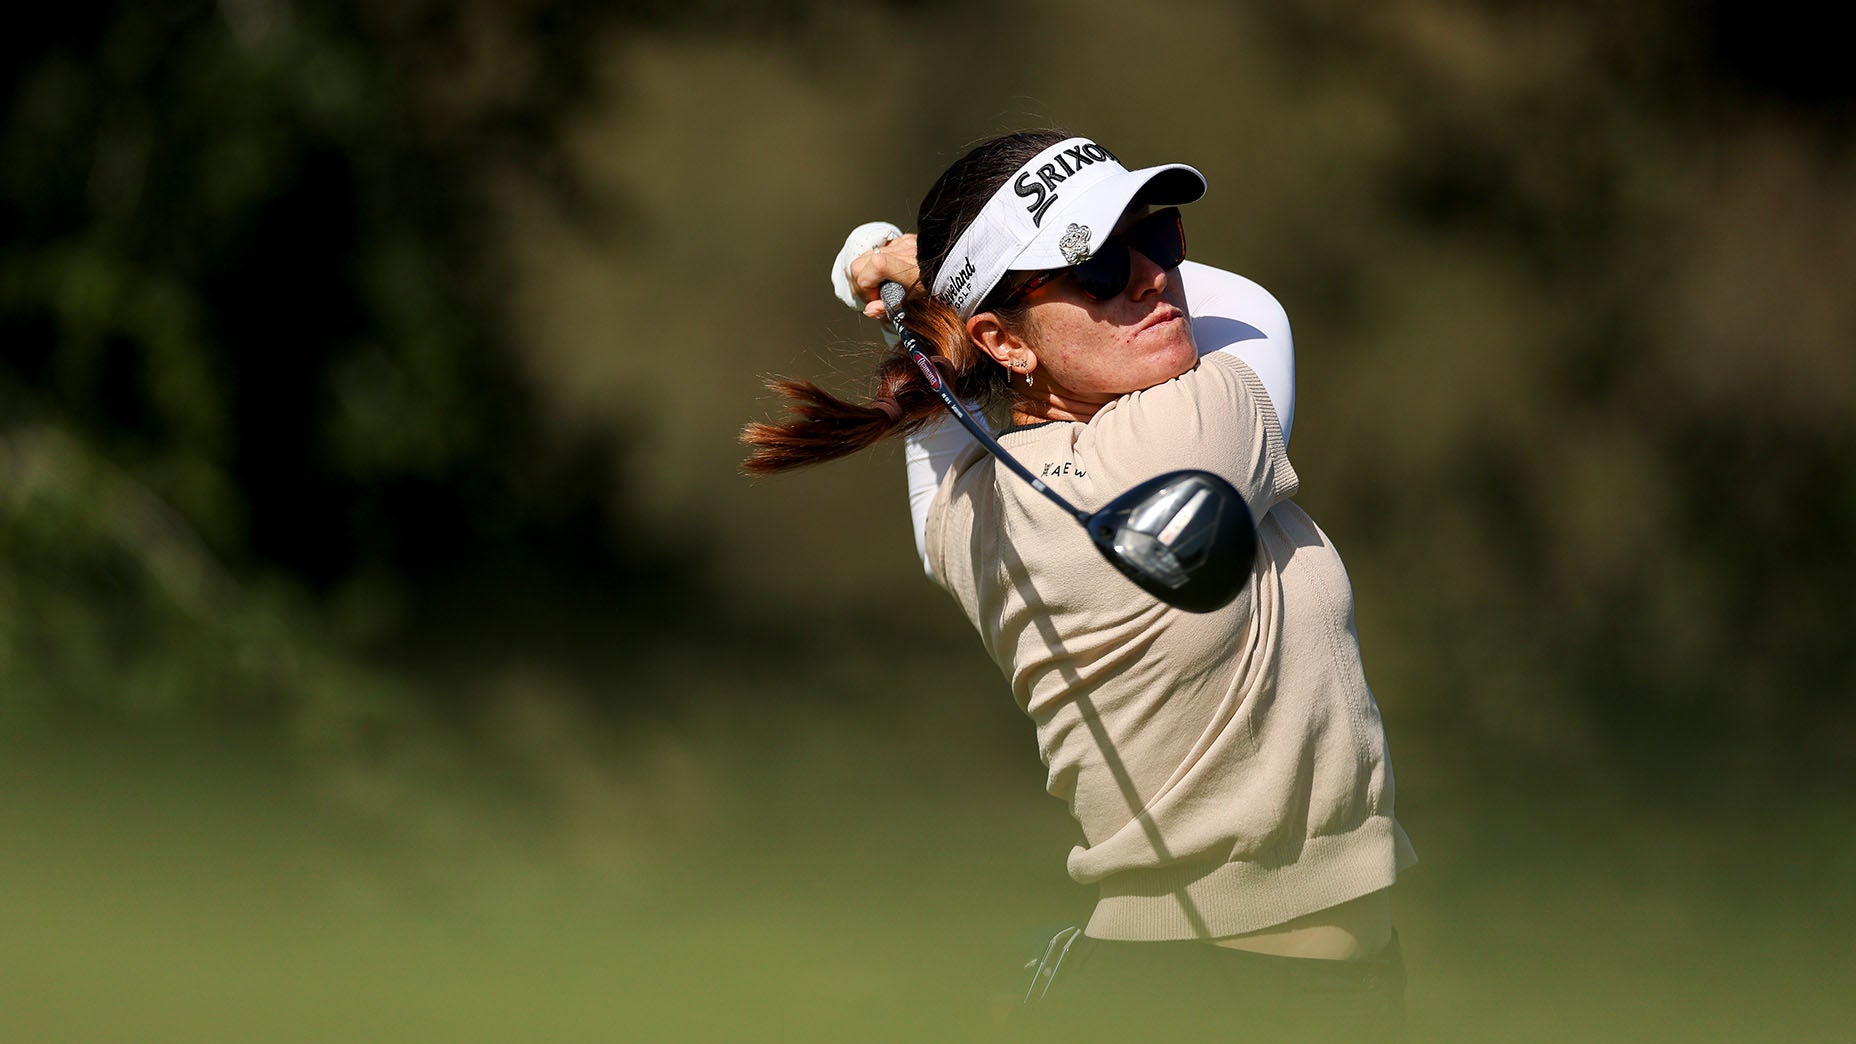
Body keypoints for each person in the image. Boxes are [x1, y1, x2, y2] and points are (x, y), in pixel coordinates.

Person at [741, 130, 1416, 1040]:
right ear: (998, 339)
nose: (1153, 278)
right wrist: (903, 260)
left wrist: (921, 276)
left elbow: (941, 413)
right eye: (1093, 266)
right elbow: (1250, 306)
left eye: (1159, 237)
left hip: (1187, 986)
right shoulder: (1193, 431)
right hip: (1228, 1002)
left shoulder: (959, 515)